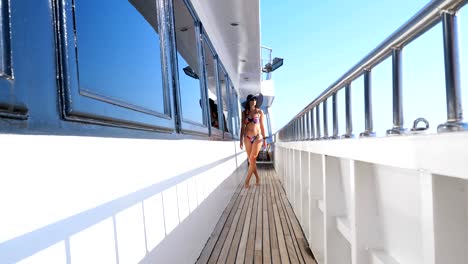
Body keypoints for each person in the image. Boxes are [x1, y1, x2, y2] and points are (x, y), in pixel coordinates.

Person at [240, 93, 267, 188]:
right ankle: (258, 178)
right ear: (248, 102)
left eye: (255, 99)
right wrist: (240, 140)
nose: (254, 101)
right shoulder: (244, 113)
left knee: (252, 158)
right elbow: (242, 127)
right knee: (252, 160)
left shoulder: (260, 112)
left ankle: (246, 182)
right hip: (247, 138)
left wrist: (264, 139)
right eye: (252, 99)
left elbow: (262, 126)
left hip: (258, 137)